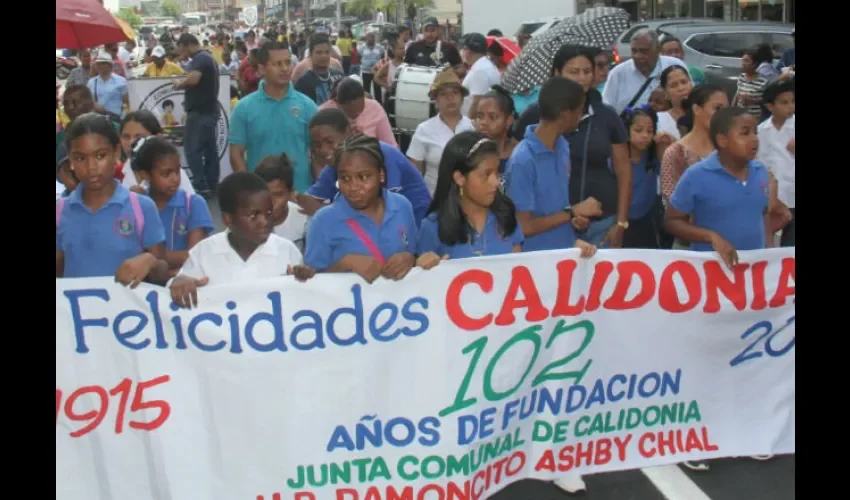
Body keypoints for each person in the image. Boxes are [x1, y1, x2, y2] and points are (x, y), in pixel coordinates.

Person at [513, 45, 635, 248]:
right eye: (574, 71)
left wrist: (620, 223)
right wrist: (573, 212)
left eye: (587, 71)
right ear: (556, 73)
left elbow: (624, 170)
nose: (582, 78)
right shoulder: (532, 130)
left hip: (594, 225)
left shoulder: (603, 116)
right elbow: (522, 217)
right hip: (545, 237)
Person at [56, 113, 169, 285]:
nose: (91, 167)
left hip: (128, 311)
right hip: (77, 310)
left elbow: (162, 271)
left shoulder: (141, 207)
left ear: (116, 152)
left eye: (100, 155)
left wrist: (150, 261)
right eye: (80, 158)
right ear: (71, 160)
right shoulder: (60, 211)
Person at [170, 172, 312, 308]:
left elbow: (307, 300)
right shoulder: (203, 253)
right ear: (228, 219)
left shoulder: (286, 251)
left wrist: (305, 280)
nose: (264, 221)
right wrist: (179, 282)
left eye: (268, 212)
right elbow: (175, 292)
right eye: (253, 215)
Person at [506, 77, 601, 263]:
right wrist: (572, 212)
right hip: (536, 263)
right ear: (565, 114)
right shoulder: (522, 160)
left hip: (563, 258)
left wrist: (572, 218)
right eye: (580, 110)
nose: (581, 115)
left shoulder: (563, 146)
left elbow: (556, 207)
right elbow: (523, 227)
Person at [665, 107, 772, 271]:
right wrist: (711, 237)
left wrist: (769, 253)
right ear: (722, 140)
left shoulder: (761, 171)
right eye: (745, 133)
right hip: (711, 272)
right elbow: (672, 222)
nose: (754, 139)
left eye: (755, 132)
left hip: (754, 272)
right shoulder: (696, 176)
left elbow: (763, 214)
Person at [303, 135, 418, 283]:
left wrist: (410, 258)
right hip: (348, 306)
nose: (354, 187)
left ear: (381, 175)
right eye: (345, 178)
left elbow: (414, 252)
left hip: (398, 305)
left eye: (363, 177)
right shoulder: (322, 221)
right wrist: (345, 264)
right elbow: (311, 286)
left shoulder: (403, 206)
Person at [299, 109, 431, 224]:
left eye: (329, 141)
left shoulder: (381, 154)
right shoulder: (335, 164)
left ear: (347, 132)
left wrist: (325, 212)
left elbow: (384, 211)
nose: (323, 150)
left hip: (416, 223)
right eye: (317, 145)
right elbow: (309, 201)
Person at [416, 132, 525, 262]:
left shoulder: (506, 215)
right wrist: (426, 268)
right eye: (486, 174)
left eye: (497, 172)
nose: (495, 182)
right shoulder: (433, 227)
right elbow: (422, 278)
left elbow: (517, 268)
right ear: (460, 178)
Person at [229, 42, 318, 193]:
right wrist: (249, 190)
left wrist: (318, 190)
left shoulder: (307, 106)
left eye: (288, 62)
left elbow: (317, 152)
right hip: (261, 196)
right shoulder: (243, 108)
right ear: (262, 68)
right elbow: (236, 154)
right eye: (277, 64)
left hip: (301, 194)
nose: (284, 68)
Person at [130, 136, 215, 275]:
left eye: (177, 171)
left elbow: (194, 256)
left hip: (185, 283)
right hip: (142, 287)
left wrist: (151, 258)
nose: (175, 178)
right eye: (166, 173)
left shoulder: (193, 204)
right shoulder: (136, 204)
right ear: (145, 175)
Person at [407, 70, 475, 194]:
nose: (450, 98)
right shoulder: (424, 130)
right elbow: (414, 174)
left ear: (462, 98)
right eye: (443, 94)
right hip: (434, 198)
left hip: (467, 198)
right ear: (436, 100)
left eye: (455, 93)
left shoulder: (472, 127)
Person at [174, 34, 221, 195]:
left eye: (180, 47)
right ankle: (210, 183)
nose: (180, 51)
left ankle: (201, 184)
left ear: (187, 45)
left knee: (192, 149)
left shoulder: (199, 59)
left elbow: (194, 79)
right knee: (209, 151)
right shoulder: (207, 57)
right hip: (208, 111)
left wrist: (179, 85)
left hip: (200, 113)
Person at [602, 29, 687, 114]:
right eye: (634, 51)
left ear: (657, 50)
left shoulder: (675, 66)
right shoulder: (618, 73)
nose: (638, 56)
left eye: (644, 51)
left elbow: (689, 99)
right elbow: (606, 111)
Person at [119, 110, 195, 194]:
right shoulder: (115, 174)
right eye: (126, 137)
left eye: (139, 137)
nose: (131, 143)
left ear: (157, 137)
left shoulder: (174, 175)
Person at [757, 79, 795, 247]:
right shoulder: (761, 130)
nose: (790, 106)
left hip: (793, 192)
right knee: (769, 239)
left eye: (793, 101)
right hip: (773, 196)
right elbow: (759, 161)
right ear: (770, 106)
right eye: (784, 102)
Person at [621, 107, 662, 248]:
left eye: (649, 131)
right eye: (638, 130)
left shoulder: (653, 155)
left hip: (647, 220)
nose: (645, 135)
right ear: (626, 131)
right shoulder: (616, 159)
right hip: (620, 220)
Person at [254, 154, 310, 254]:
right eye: (265, 195)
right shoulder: (246, 221)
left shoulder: (304, 219)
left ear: (291, 194)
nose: (271, 202)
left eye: (278, 195)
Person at [319, 77, 397, 147]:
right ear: (337, 104)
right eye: (351, 111)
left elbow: (391, 146)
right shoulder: (323, 114)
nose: (357, 114)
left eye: (361, 109)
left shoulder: (374, 107)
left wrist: (364, 140)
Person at [475, 85, 517, 174]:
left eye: (492, 117)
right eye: (480, 116)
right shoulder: (470, 154)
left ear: (509, 120)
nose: (484, 122)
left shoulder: (520, 153)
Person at [295, 33, 345, 105]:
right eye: (319, 52)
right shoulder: (303, 82)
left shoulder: (339, 77)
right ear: (311, 54)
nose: (324, 56)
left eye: (327, 52)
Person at [460, 33, 501, 118]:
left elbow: (477, 102)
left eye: (463, 49)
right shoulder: (485, 65)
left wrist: (468, 123)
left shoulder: (479, 70)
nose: (462, 52)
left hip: (474, 123)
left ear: (468, 51)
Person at [656, 65, 693, 140]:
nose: (681, 88)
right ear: (666, 93)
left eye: (684, 82)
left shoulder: (704, 114)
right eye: (673, 85)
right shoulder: (659, 120)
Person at [88, 51, 128, 119]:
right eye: (98, 64)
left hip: (117, 119)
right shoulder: (92, 82)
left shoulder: (121, 81)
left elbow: (126, 101)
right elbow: (88, 100)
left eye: (103, 63)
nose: (100, 66)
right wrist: (95, 105)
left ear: (110, 65)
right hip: (98, 119)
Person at [359, 32, 385, 104]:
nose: (370, 40)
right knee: (366, 90)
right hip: (366, 72)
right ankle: (367, 104)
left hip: (377, 72)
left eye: (372, 38)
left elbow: (382, 58)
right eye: (369, 38)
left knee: (377, 89)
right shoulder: (361, 48)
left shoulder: (380, 47)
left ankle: (379, 104)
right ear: (366, 39)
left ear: (374, 39)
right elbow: (359, 57)